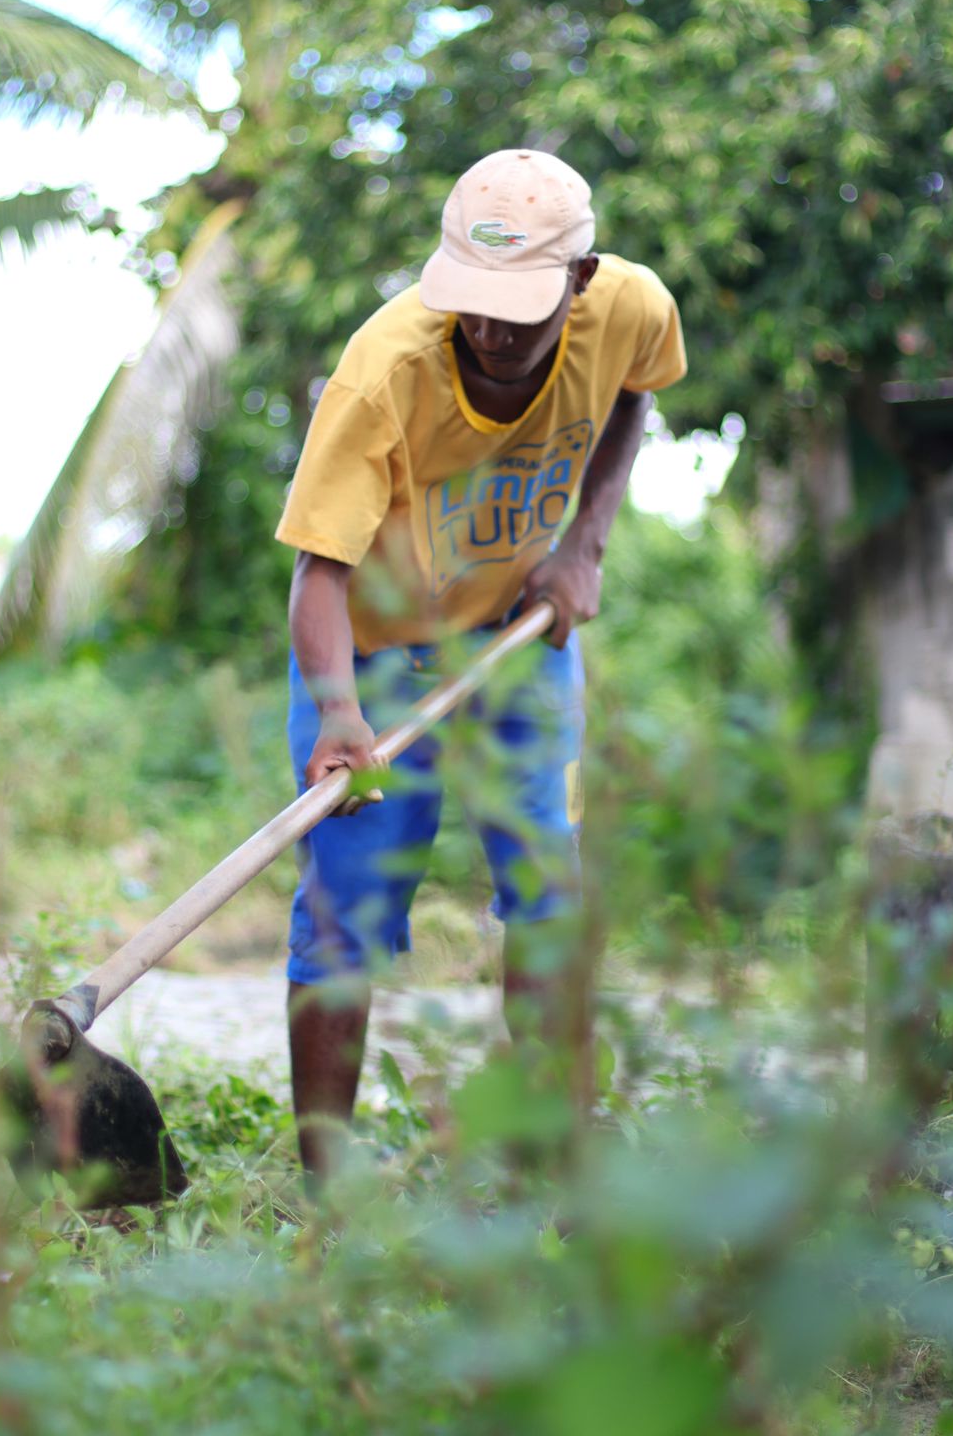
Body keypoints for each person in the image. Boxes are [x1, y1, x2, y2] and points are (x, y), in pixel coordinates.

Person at [275, 148, 687, 1180]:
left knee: (549, 896)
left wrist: (584, 543)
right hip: (369, 659)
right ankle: (326, 1186)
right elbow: (317, 575)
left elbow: (635, 392)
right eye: (475, 306)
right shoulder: (383, 371)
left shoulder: (630, 305)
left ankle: (562, 1166)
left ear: (580, 283)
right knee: (344, 907)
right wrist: (336, 715)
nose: (495, 332)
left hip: (517, 641)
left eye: (522, 310)